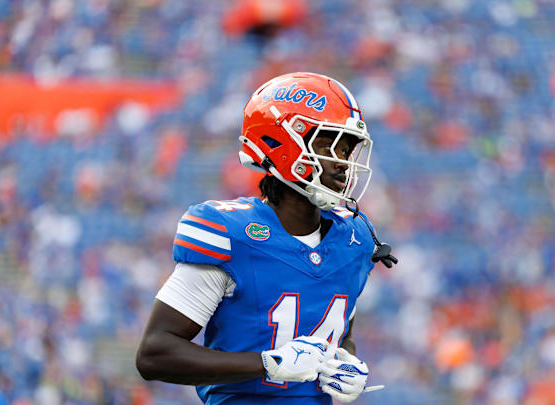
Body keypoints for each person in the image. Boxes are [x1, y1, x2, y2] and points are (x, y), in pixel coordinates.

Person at [135, 72, 397, 404]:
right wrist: (267, 364)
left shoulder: (354, 238)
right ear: (283, 142)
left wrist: (345, 362)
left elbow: (339, 333)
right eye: (329, 145)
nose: (342, 164)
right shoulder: (231, 233)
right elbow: (155, 353)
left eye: (347, 150)